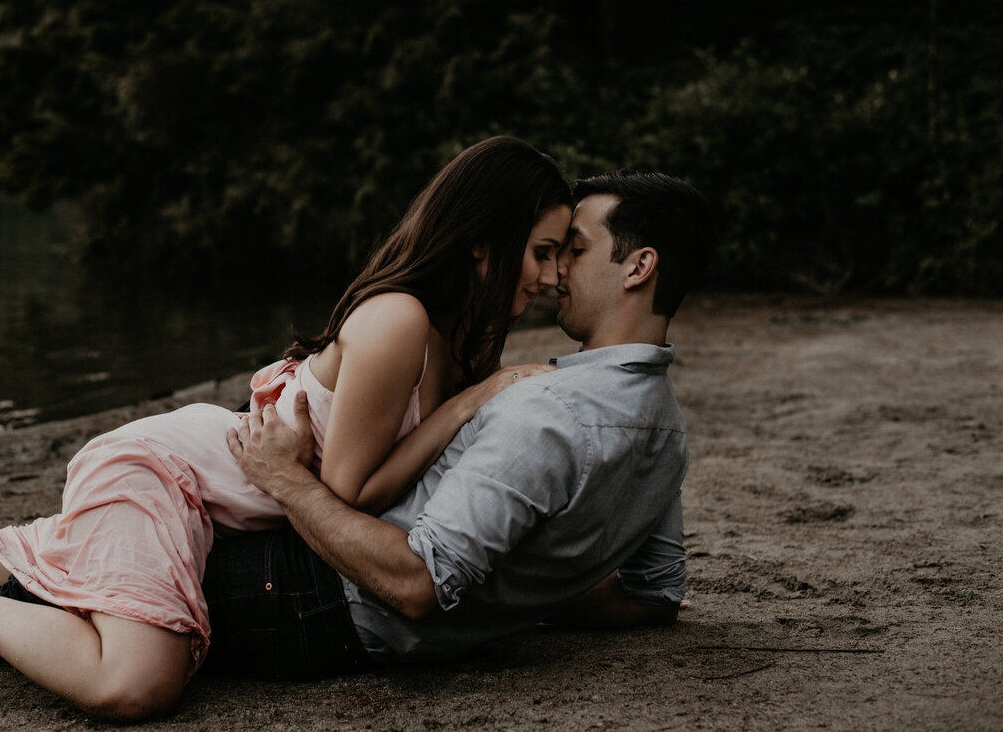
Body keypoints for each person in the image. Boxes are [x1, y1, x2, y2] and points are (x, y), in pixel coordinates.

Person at [0, 136, 572, 720]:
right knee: (135, 679)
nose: (552, 277)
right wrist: (470, 406)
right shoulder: (400, 319)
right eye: (540, 252)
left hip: (201, 483)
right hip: (167, 474)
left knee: (2, 563)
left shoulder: (445, 332)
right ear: (484, 241)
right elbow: (342, 491)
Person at [214, 168, 716, 674]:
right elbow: (655, 595)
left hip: (312, 593)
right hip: (332, 573)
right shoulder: (668, 431)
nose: (556, 269)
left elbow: (416, 585)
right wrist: (516, 593)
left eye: (576, 250)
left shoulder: (546, 412)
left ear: (639, 267)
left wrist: (287, 482)